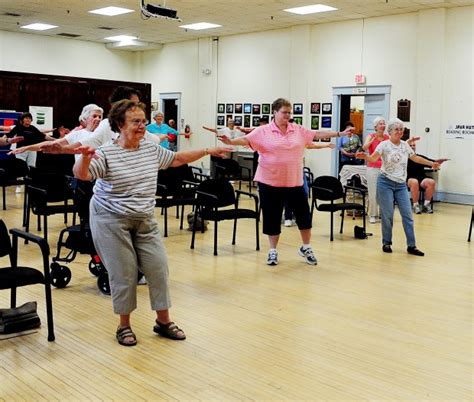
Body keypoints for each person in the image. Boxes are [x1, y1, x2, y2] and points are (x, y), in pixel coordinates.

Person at [73, 100, 231, 346]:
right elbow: (83, 175)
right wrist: (83, 158)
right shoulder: (107, 152)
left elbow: (176, 159)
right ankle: (124, 325)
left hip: (144, 217)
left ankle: (163, 321)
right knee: (124, 273)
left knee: (158, 267)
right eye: (136, 122)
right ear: (119, 125)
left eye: (143, 121)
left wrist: (207, 151)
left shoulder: (149, 149)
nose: (142, 126)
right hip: (110, 217)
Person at [218, 98, 354, 267]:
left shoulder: (297, 129)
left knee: (304, 217)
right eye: (284, 112)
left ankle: (306, 247)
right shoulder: (263, 131)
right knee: (272, 217)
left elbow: (317, 134)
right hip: (269, 181)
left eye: (290, 113)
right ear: (274, 112)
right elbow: (245, 140)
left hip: (294, 181)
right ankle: (273, 250)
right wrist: (230, 142)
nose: (288, 115)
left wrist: (340, 133)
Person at [356, 118, 440, 256]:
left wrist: (432, 163)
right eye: (396, 129)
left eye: (401, 130)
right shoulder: (383, 145)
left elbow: (416, 158)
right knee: (387, 214)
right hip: (385, 183)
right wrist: (364, 156)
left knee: (407, 215)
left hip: (400, 184)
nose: (400, 132)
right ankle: (386, 242)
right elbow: (373, 159)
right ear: (390, 132)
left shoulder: (404, 145)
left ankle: (411, 246)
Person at [11, 104, 103, 161]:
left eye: (100, 117)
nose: (98, 119)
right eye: (94, 116)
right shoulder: (77, 134)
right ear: (85, 118)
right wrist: (26, 148)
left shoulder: (104, 132)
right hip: (84, 175)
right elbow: (50, 143)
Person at [284, 142, 336, 227]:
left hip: (299, 171)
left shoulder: (299, 139)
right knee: (288, 194)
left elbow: (311, 145)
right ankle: (288, 217)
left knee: (304, 193)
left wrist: (325, 145)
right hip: (287, 171)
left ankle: (298, 216)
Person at [407, 141, 448, 214]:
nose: (412, 147)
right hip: (409, 178)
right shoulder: (403, 158)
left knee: (431, 182)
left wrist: (438, 162)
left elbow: (432, 162)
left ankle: (426, 204)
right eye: (410, 145)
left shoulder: (420, 157)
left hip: (421, 177)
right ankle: (415, 205)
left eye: (414, 145)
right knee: (414, 182)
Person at [362, 116, 390, 224]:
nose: (383, 125)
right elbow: (364, 148)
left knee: (383, 193)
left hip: (385, 168)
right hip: (372, 167)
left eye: (384, 123)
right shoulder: (370, 136)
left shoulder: (387, 137)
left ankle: (383, 214)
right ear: (375, 127)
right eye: (380, 124)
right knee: (372, 192)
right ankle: (373, 214)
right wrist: (370, 142)